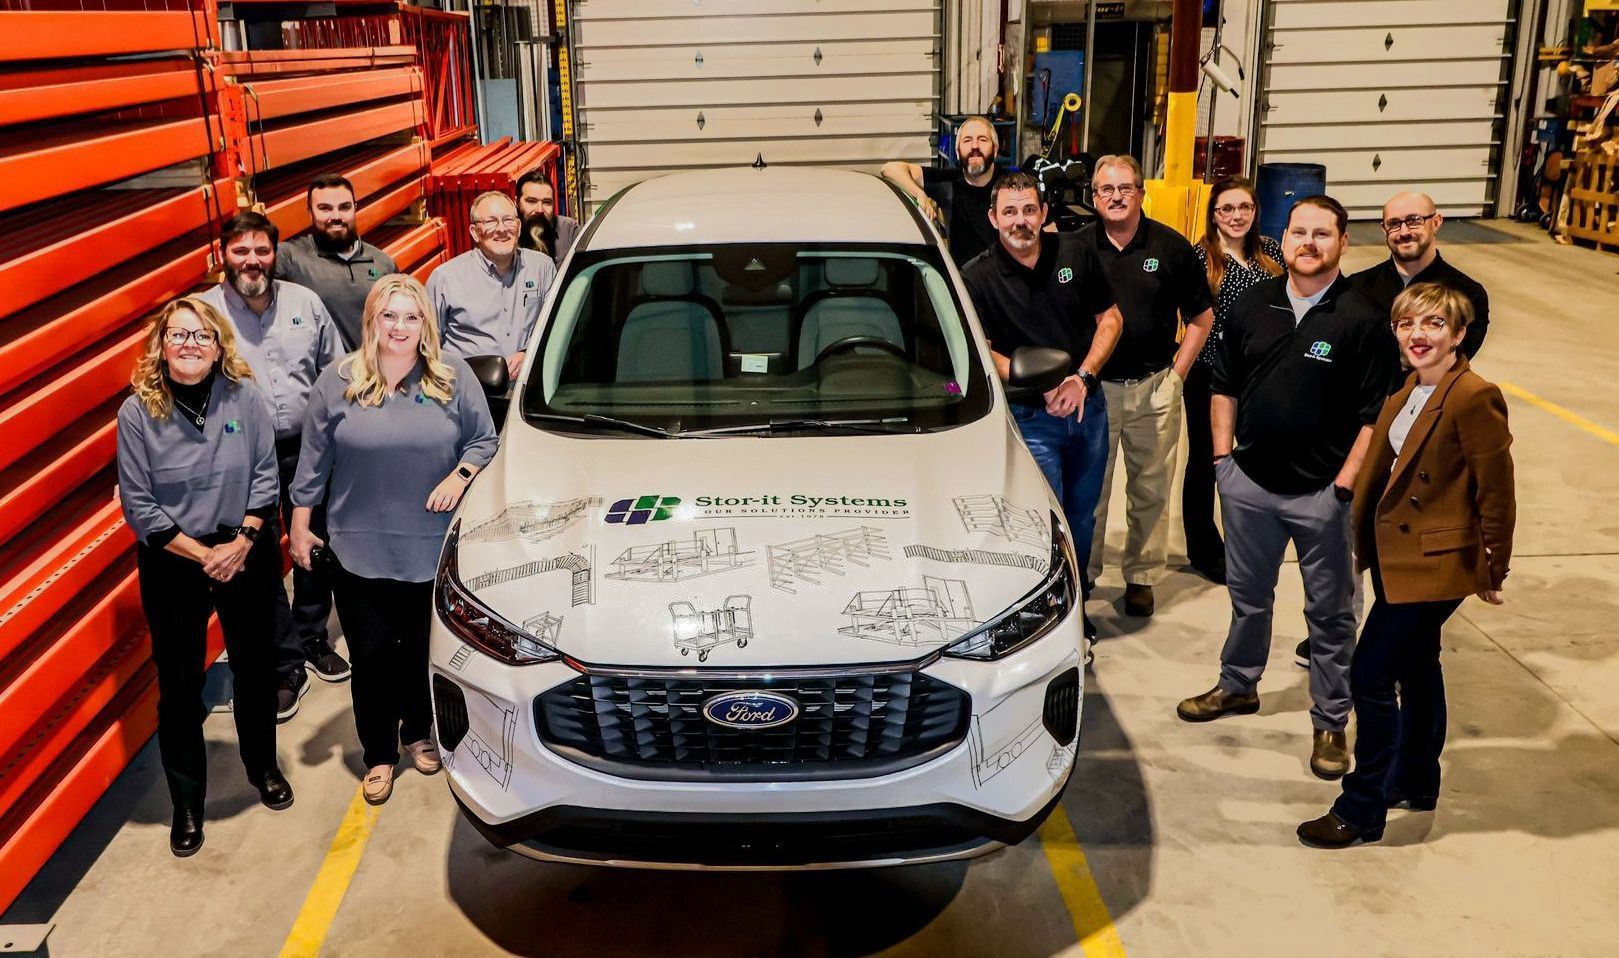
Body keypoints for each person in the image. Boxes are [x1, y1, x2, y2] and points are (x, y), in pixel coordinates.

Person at [1176, 195, 1400, 781]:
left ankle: (1330, 720)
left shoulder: (1362, 316)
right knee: (1248, 599)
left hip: (1321, 496)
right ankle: (1238, 686)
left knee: (1329, 615)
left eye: (1322, 234)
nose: (1308, 243)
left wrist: (1343, 488)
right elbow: (1221, 383)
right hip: (1249, 486)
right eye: (1299, 231)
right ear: (1285, 236)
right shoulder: (1254, 301)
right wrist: (1223, 463)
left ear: (1343, 242)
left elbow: (1375, 415)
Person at [1298, 283, 1515, 848]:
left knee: (1370, 674)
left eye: (1434, 324)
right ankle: (1417, 778)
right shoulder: (1409, 390)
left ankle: (1361, 807)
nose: (1418, 335)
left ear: (1459, 334)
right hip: (1403, 555)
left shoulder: (1473, 395)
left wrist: (1495, 567)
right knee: (1419, 664)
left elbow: (1497, 491)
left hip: (1435, 562)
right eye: (1407, 324)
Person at [290, 274, 499, 805]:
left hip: (431, 548)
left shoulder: (452, 377)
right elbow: (313, 461)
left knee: (421, 654)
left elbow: (485, 439)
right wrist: (299, 524)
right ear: (372, 322)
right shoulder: (337, 380)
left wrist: (460, 476)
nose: (400, 327)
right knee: (371, 656)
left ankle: (418, 734)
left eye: (411, 316)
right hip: (358, 549)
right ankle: (379, 753)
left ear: (425, 323)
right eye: (389, 316)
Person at [116, 297, 293, 857]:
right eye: (178, 335)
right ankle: (187, 801)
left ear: (219, 347)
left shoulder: (245, 396)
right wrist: (203, 555)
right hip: (174, 558)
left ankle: (262, 767)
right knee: (179, 685)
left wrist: (240, 543)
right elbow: (140, 506)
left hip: (244, 548)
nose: (190, 343)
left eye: (201, 335)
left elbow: (267, 478)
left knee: (256, 668)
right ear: (160, 346)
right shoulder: (137, 413)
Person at [961, 171, 1125, 641]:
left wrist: (1081, 378)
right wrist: (1034, 378)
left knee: (1082, 516)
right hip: (1032, 417)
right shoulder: (978, 277)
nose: (1020, 221)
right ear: (993, 218)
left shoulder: (1075, 253)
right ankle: (1045, 618)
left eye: (1029, 210)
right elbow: (979, 348)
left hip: (1086, 407)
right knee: (1041, 524)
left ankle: (1078, 608)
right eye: (1009, 212)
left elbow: (1110, 319)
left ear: (1044, 213)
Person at [199, 212, 350, 722]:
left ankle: (311, 636)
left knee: (312, 544)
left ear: (274, 253)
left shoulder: (305, 303)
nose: (252, 261)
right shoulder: (204, 314)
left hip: (307, 446)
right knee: (259, 557)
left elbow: (336, 368)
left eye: (261, 250)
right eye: (241, 251)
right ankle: (286, 663)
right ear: (225, 253)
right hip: (239, 456)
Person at [1080, 155, 1215, 616]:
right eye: (1105, 190)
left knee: (1151, 489)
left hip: (1154, 387)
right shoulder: (1077, 248)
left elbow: (1202, 317)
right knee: (1090, 490)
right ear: (1093, 196)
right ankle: (1085, 572)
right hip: (1095, 392)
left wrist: (1177, 375)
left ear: (1141, 192)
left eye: (1125, 188)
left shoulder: (1173, 248)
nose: (1115, 197)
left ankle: (1140, 576)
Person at [1185, 176, 1284, 584]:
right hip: (1211, 375)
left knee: (1255, 462)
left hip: (1262, 374)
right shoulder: (1202, 258)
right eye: (1227, 208)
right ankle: (1205, 549)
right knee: (1208, 462)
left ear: (1255, 210)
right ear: (1214, 215)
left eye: (1244, 207)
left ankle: (1251, 542)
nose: (1236, 216)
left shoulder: (1272, 253)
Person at [427, 191, 558, 380]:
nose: (502, 229)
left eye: (508, 220)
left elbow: (555, 328)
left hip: (528, 389)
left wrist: (528, 354)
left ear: (519, 227)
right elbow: (427, 347)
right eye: (490, 222)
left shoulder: (542, 268)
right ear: (474, 232)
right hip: (468, 394)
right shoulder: (445, 278)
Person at [1353, 192, 1489, 358]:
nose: (1404, 232)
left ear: (1436, 222)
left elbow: (1452, 362)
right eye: (1394, 224)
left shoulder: (1468, 294)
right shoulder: (1357, 288)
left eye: (1414, 220)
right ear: (1384, 229)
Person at [277, 174, 400, 352]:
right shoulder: (290, 258)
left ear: (355, 209)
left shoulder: (383, 263)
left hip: (376, 373)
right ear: (310, 212)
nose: (336, 216)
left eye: (344, 207)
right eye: (325, 208)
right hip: (323, 377)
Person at [881, 115, 1004, 268]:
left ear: (995, 149)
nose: (974, 146)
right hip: (967, 281)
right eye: (967, 140)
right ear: (958, 151)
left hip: (1006, 279)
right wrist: (919, 193)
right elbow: (890, 169)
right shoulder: (948, 181)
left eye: (982, 139)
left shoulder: (1011, 184)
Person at [515, 168, 580, 266]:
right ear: (517, 203)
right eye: (531, 201)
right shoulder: (507, 234)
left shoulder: (569, 230)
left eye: (547, 202)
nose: (540, 210)